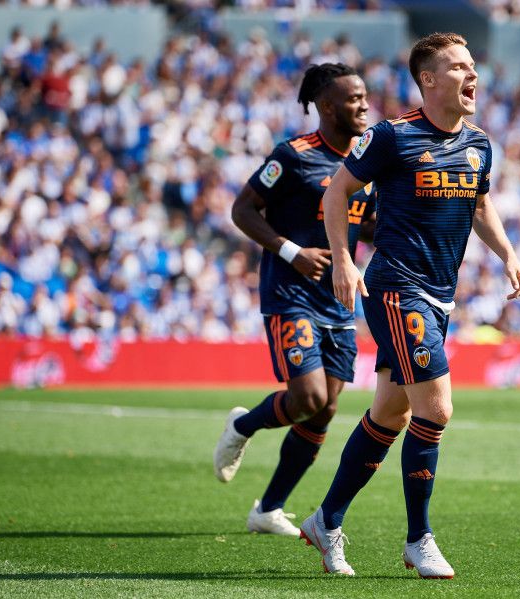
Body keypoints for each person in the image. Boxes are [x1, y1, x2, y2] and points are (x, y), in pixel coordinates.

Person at [299, 33, 520, 578]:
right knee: (437, 409)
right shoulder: (392, 137)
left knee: (391, 413)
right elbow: (336, 193)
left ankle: (326, 520)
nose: (471, 75)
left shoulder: (478, 144)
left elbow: (479, 202)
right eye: (457, 67)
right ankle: (418, 539)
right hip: (397, 289)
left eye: (472, 66)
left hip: (440, 298)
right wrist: (344, 260)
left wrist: (508, 254)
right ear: (428, 80)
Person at [214, 63, 373, 537]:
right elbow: (242, 209)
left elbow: (370, 224)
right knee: (308, 396)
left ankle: (268, 509)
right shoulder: (295, 155)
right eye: (353, 99)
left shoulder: (367, 162)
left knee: (323, 411)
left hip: (339, 299)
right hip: (291, 293)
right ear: (326, 106)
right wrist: (292, 251)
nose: (364, 105)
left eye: (365, 97)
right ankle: (243, 427)